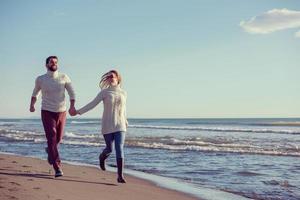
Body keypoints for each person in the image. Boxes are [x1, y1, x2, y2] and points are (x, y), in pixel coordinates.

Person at [72, 70, 128, 183]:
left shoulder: (123, 93)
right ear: (107, 79)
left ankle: (120, 176)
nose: (111, 78)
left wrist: (125, 121)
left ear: (118, 78)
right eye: (109, 77)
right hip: (107, 124)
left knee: (119, 148)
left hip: (120, 125)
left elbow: (123, 109)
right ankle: (102, 157)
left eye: (113, 76)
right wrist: (78, 112)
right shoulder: (104, 93)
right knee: (109, 149)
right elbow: (92, 104)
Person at [30, 56, 76, 177]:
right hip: (47, 111)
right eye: (51, 62)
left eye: (56, 62)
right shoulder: (41, 79)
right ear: (46, 65)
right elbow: (35, 93)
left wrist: (72, 106)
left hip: (61, 111)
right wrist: (32, 105)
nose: (54, 64)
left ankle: (50, 151)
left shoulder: (64, 77)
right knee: (52, 137)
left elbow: (72, 92)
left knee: (58, 139)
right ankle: (57, 167)